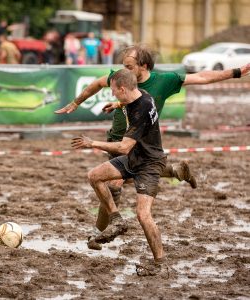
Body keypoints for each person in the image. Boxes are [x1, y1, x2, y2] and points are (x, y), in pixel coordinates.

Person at [55, 44, 250, 251]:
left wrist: (237, 72)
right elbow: (96, 84)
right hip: (115, 142)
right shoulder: (121, 78)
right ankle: (174, 171)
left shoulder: (163, 81)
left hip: (138, 145)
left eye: (130, 66)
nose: (125, 71)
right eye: (124, 66)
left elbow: (202, 77)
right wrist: (76, 103)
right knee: (123, 178)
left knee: (114, 185)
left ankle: (99, 234)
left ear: (144, 66)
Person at [72, 69, 169, 277]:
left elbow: (124, 147)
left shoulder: (141, 109)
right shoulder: (141, 94)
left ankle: (161, 264)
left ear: (123, 88)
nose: (113, 94)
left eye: (114, 92)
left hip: (148, 164)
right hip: (134, 158)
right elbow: (128, 102)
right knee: (94, 176)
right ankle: (116, 220)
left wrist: (92, 143)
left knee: (143, 215)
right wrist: (117, 104)